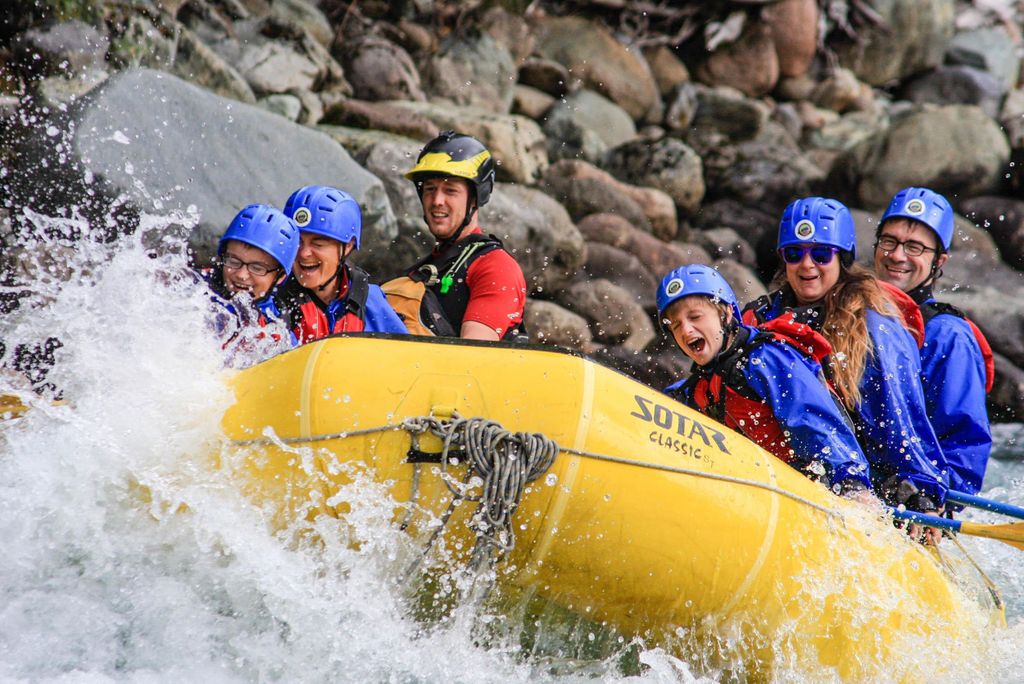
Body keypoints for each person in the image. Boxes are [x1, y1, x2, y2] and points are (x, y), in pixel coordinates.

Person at [744, 197, 949, 541]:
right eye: (794, 254)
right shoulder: (760, 319)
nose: (807, 265)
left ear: (842, 257)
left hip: (857, 480)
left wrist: (920, 488)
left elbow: (899, 416)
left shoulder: (874, 326)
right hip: (776, 472)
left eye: (821, 254)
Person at [659, 264, 873, 498]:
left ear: (726, 314)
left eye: (695, 317)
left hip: (813, 491)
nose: (686, 330)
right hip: (757, 495)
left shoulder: (766, 359)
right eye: (676, 325)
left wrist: (851, 484)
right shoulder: (697, 388)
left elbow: (813, 422)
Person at [873, 187, 993, 497]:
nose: (897, 255)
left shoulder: (948, 336)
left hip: (911, 496)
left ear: (939, 260)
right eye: (890, 241)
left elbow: (964, 444)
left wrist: (932, 496)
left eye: (914, 247)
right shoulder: (850, 313)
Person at [400, 130, 527, 341]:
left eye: (450, 191)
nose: (437, 200)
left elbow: (473, 356)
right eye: (430, 189)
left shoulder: (496, 267)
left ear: (475, 199)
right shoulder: (423, 269)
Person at [280, 185, 407, 342]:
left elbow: (406, 360)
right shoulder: (272, 300)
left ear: (348, 246)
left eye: (318, 244)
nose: (304, 253)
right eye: (297, 242)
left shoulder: (370, 302)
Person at [204, 203, 300, 348]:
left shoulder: (279, 333)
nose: (242, 275)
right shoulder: (194, 291)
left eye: (257, 268)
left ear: (280, 277)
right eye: (233, 261)